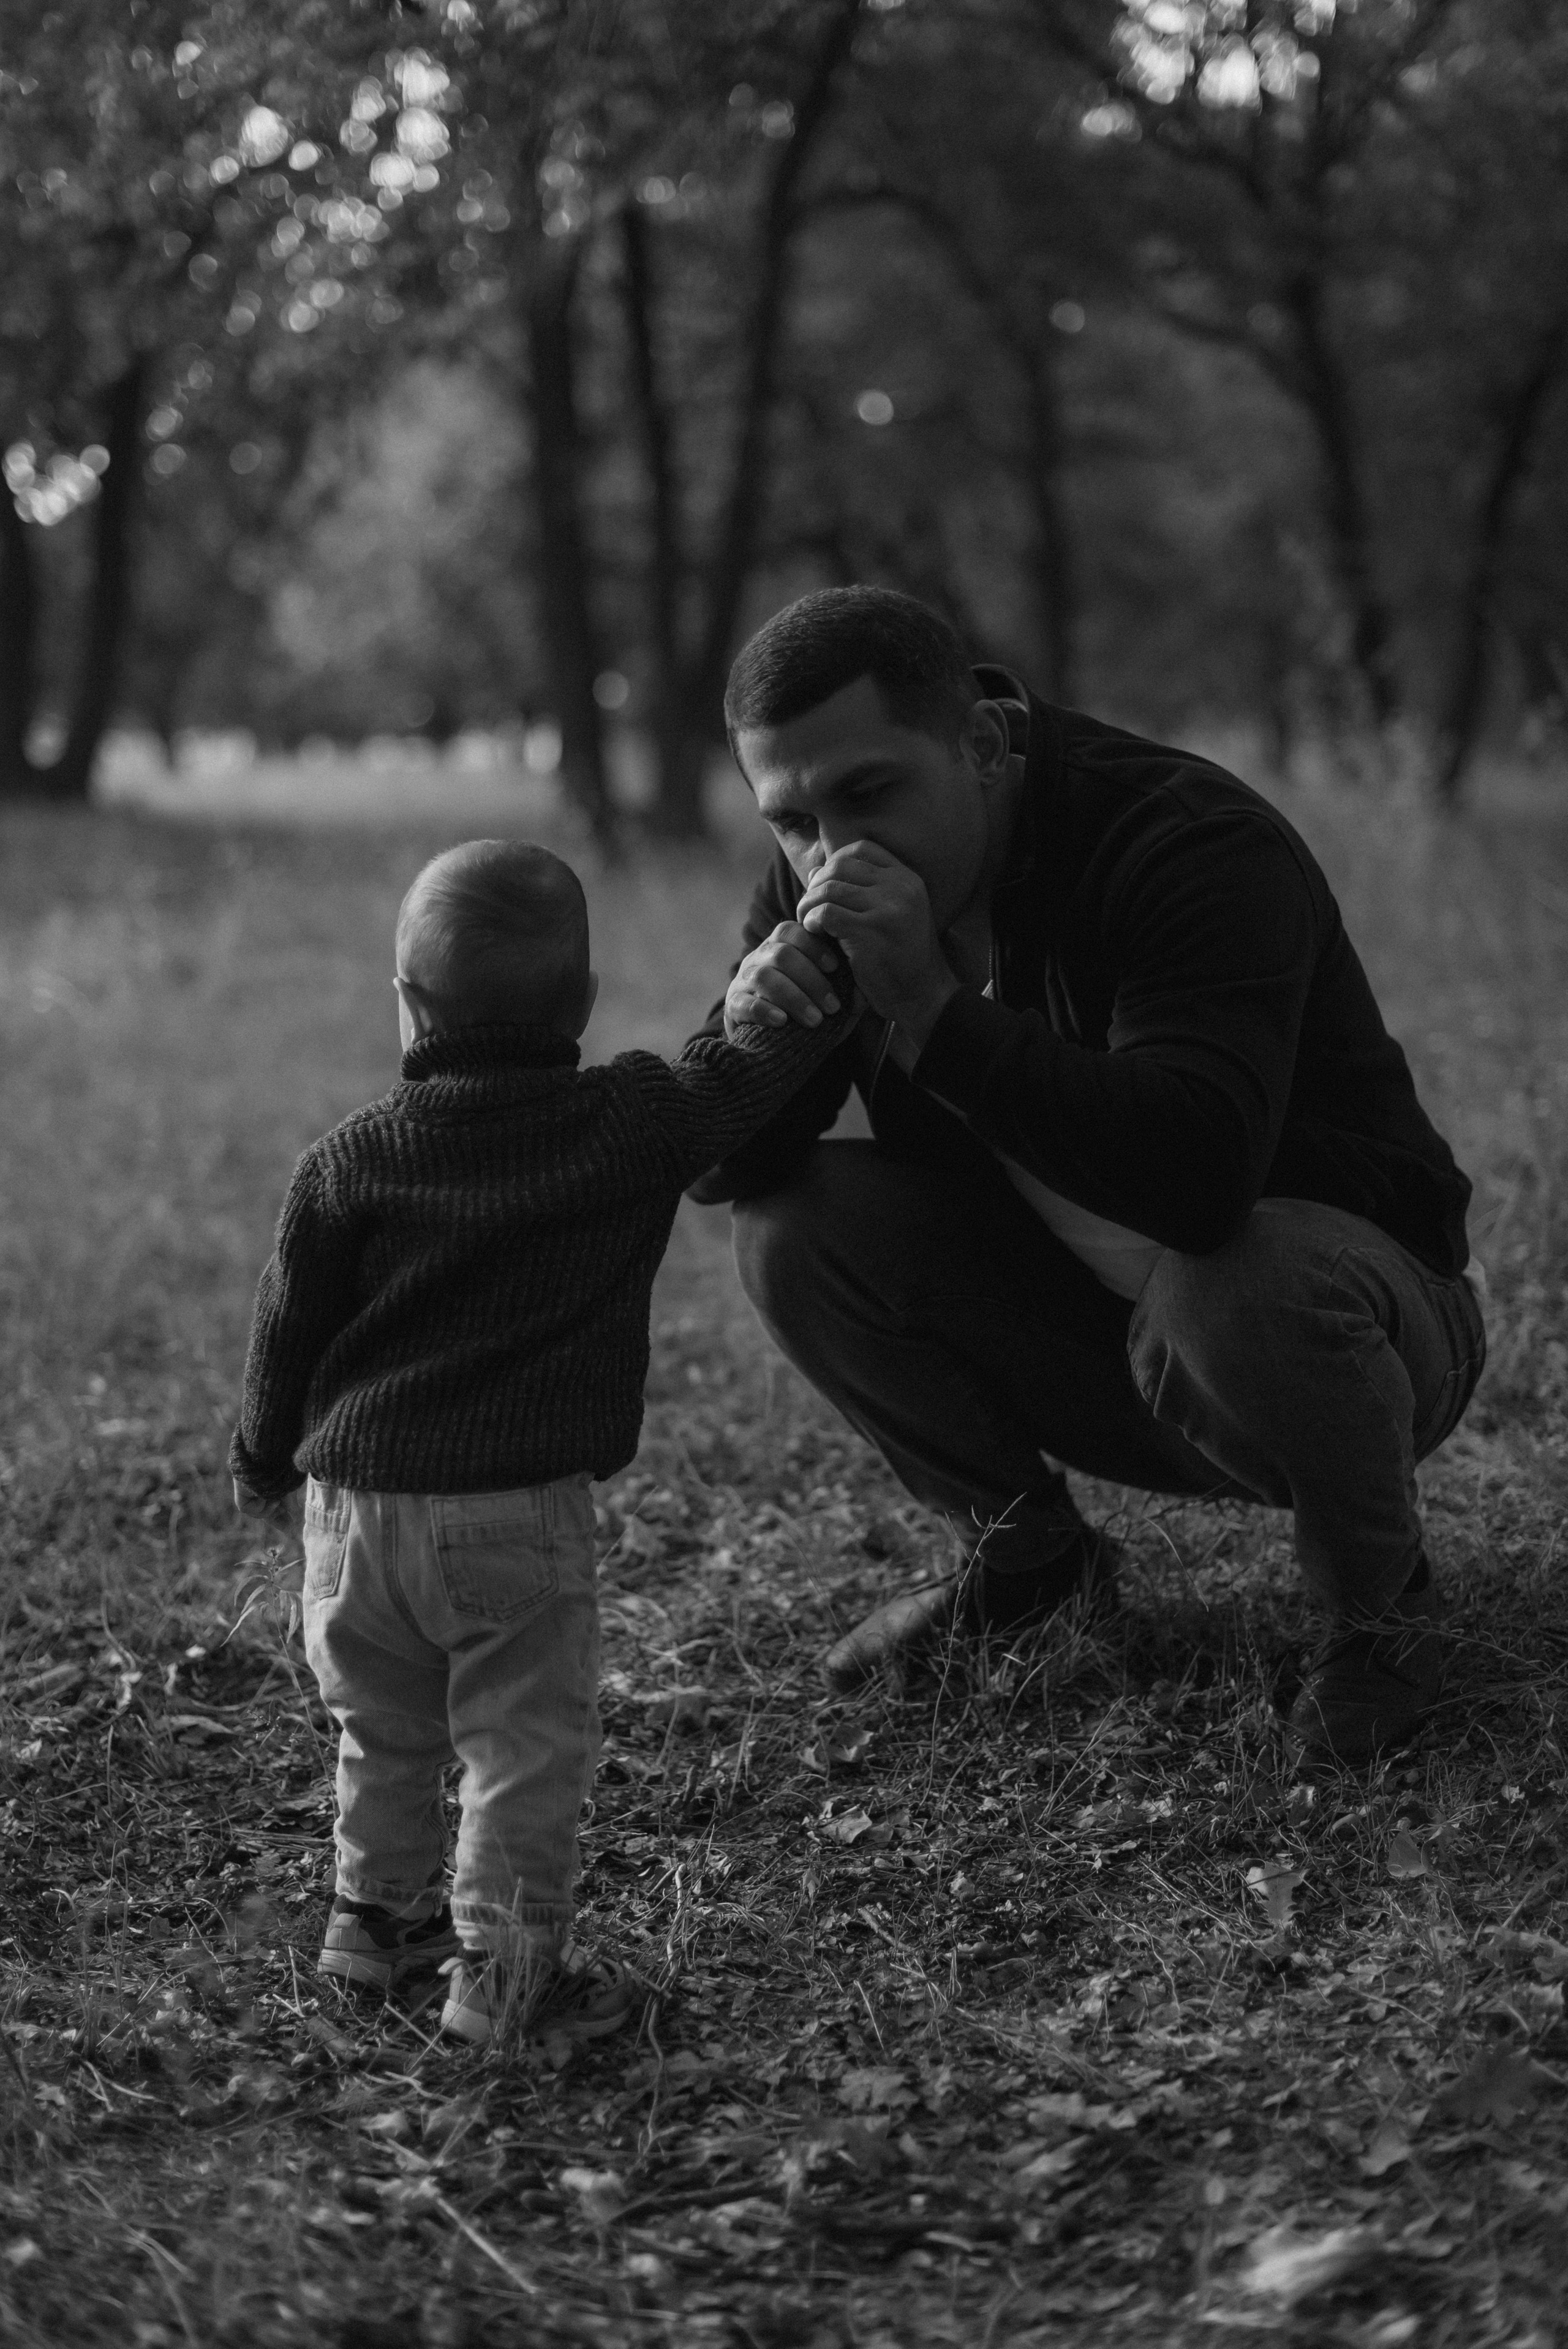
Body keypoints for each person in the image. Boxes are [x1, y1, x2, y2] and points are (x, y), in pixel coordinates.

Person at [696, 586, 1486, 1771]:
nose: (830, 853)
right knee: (790, 1225)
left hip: (1347, 1331)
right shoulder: (821, 880)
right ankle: (1032, 1569)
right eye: (792, 819)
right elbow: (717, 1166)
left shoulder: (1184, 840)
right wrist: (751, 1040)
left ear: (980, 744)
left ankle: (1378, 1616)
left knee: (1239, 1280)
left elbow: (1197, 1181)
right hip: (1107, 1346)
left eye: (869, 792)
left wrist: (927, 1007)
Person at [230, 839, 856, 2044]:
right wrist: (825, 967)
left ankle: (374, 1928)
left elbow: (285, 1324)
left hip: (351, 1516)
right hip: (509, 1515)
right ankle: (505, 1985)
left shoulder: (349, 1159)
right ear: (580, 1004)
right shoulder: (622, 1122)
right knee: (521, 1749)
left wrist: (264, 1455)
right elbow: (735, 1078)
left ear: (409, 1007)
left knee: (385, 1730)